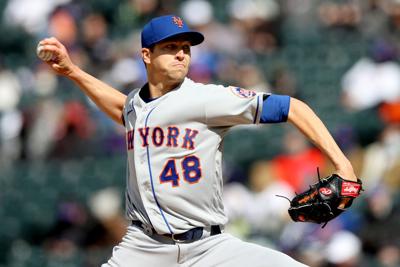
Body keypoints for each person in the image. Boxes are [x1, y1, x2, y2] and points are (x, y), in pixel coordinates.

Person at [37, 14, 358, 267]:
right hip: (143, 248)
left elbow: (292, 107)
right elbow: (124, 109)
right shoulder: (137, 103)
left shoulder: (207, 99)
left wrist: (342, 164)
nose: (181, 55)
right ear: (146, 55)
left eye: (185, 48)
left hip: (209, 248)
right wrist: (73, 71)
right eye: (170, 47)